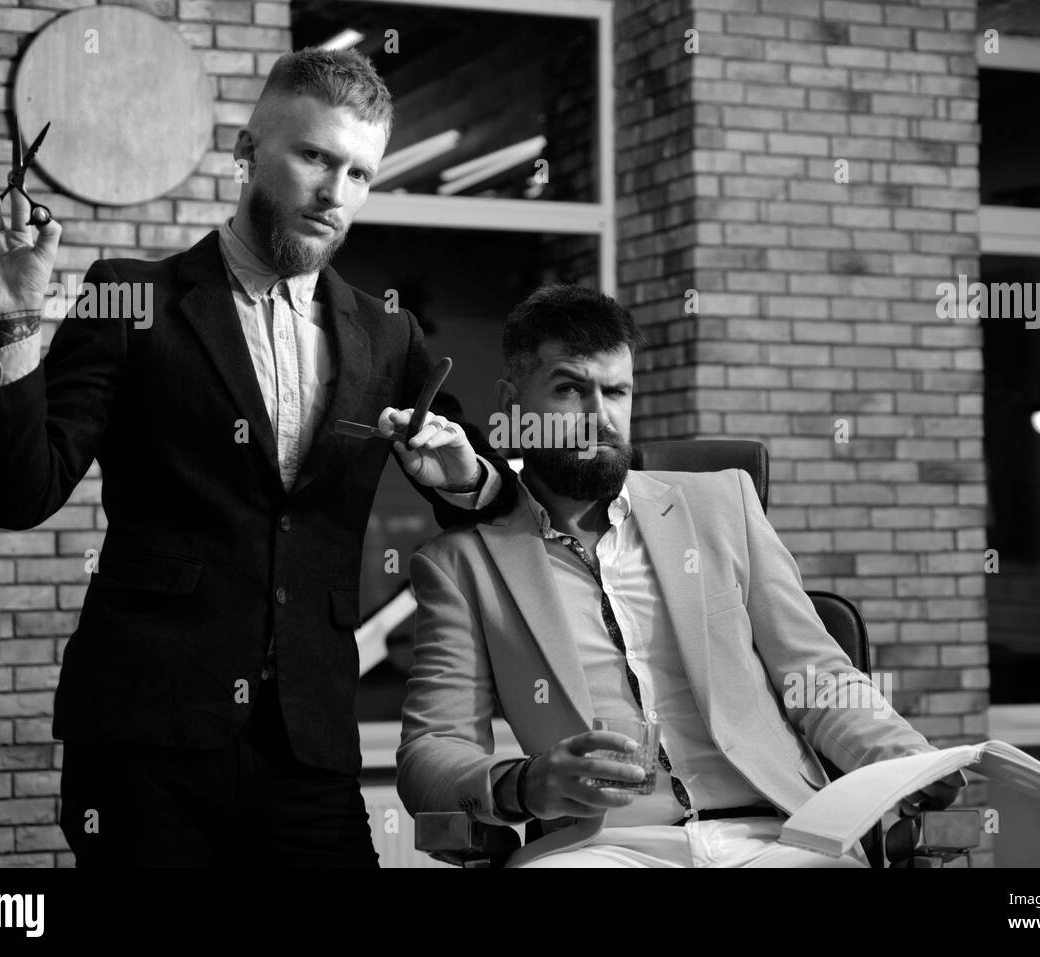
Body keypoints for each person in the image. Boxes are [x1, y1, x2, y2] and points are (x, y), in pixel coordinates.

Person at [0, 48, 515, 867]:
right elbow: (20, 491)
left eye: (359, 173)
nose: (334, 194)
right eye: (314, 157)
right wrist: (11, 325)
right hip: (147, 745)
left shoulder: (388, 336)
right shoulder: (129, 296)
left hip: (310, 745)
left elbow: (491, 491)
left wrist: (462, 474)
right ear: (249, 151)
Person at [397, 284, 963, 867]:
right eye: (570, 389)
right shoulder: (461, 565)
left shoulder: (722, 506)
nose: (599, 416)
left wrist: (911, 763)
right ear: (512, 403)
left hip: (778, 834)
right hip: (602, 846)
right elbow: (432, 751)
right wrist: (525, 784)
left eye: (616, 391)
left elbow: (817, 679)